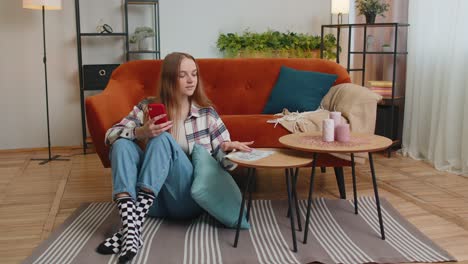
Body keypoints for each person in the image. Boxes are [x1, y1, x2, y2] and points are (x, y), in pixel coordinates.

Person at [96, 52, 254, 263]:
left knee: (162, 140)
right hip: (152, 202)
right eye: (183, 75)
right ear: (170, 78)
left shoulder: (207, 115)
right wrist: (141, 132)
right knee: (122, 144)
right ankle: (132, 228)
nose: (191, 80)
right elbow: (109, 136)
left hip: (183, 201)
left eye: (194, 74)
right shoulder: (147, 108)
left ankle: (130, 230)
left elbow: (225, 165)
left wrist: (227, 149)